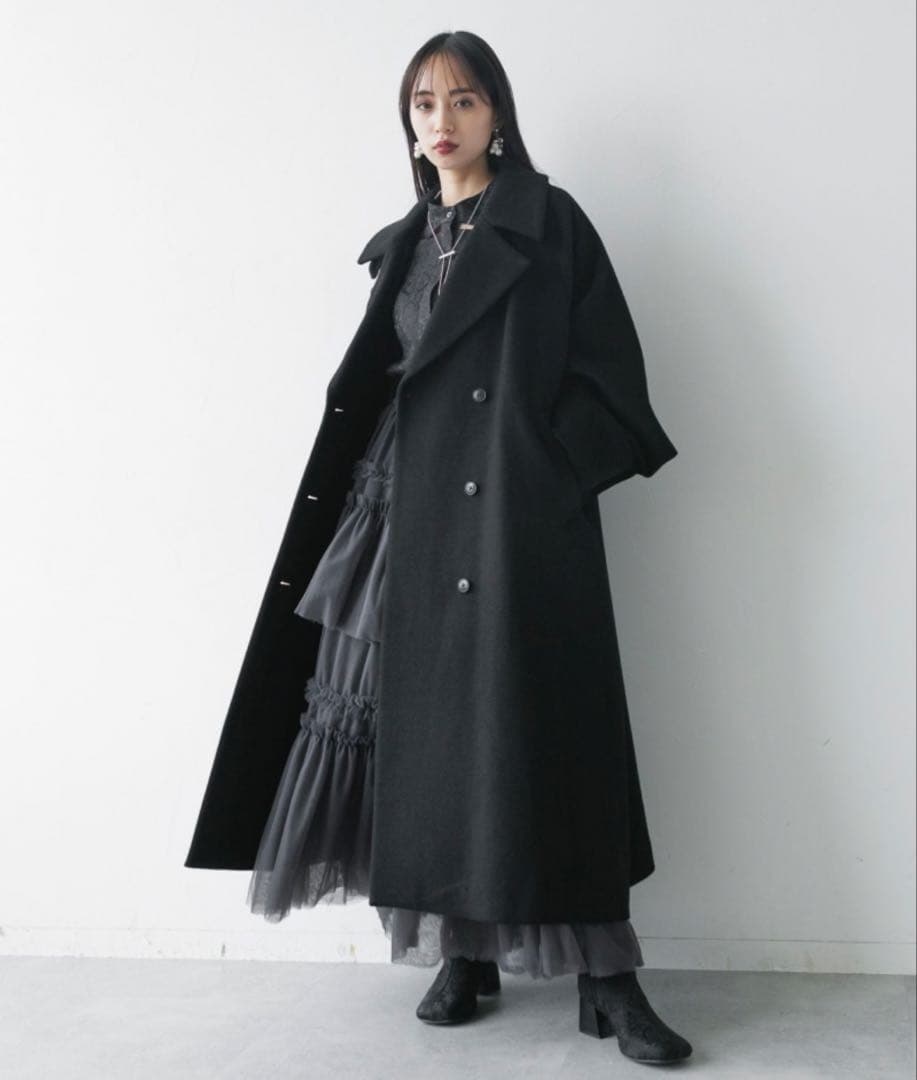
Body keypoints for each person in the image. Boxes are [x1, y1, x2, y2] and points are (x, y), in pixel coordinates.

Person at [186, 30, 692, 1067]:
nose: (442, 120)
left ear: (497, 114)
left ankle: (608, 980)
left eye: (463, 100)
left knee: (540, 740)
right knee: (421, 742)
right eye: (424, 103)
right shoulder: (404, 241)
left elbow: (613, 380)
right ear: (408, 122)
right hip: (397, 518)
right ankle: (461, 951)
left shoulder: (549, 223)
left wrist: (543, 474)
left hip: (509, 521)